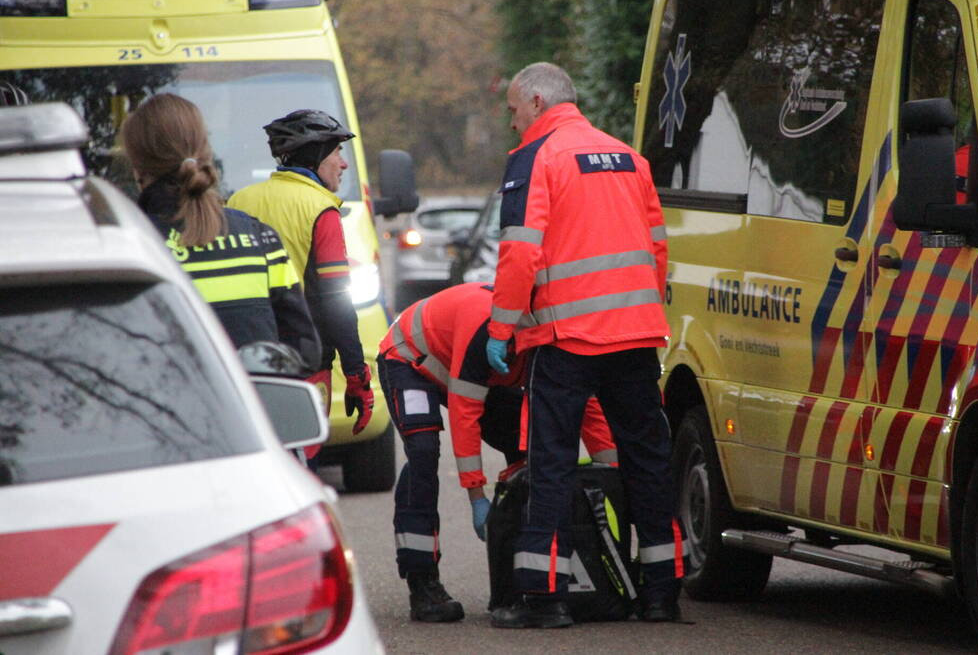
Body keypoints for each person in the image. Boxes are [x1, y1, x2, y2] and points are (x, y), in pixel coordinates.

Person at [486, 62, 683, 628]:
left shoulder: (536, 158)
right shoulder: (628, 157)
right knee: (647, 462)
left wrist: (503, 329)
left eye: (515, 110)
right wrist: (643, 315)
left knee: (551, 464)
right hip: (636, 336)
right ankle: (661, 594)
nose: (514, 121)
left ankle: (546, 599)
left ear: (539, 100)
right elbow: (656, 249)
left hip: (568, 340)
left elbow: (520, 252)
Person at [378, 281, 618, 623]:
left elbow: (587, 406)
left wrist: (611, 474)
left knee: (522, 449)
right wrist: (477, 495)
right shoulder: (485, 335)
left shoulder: (555, 337)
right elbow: (465, 414)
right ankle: (423, 582)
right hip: (412, 358)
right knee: (423, 453)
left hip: (480, 371)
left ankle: (524, 580)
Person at [120, 93, 320, 368]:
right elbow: (304, 350)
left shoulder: (124, 248)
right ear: (205, 151)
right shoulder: (260, 238)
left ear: (137, 167)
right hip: (254, 408)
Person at [228, 110, 374, 436]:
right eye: (337, 152)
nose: (343, 163)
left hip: (242, 353)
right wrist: (356, 375)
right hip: (303, 357)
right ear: (316, 156)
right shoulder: (320, 208)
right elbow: (335, 301)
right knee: (302, 453)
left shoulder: (237, 201)